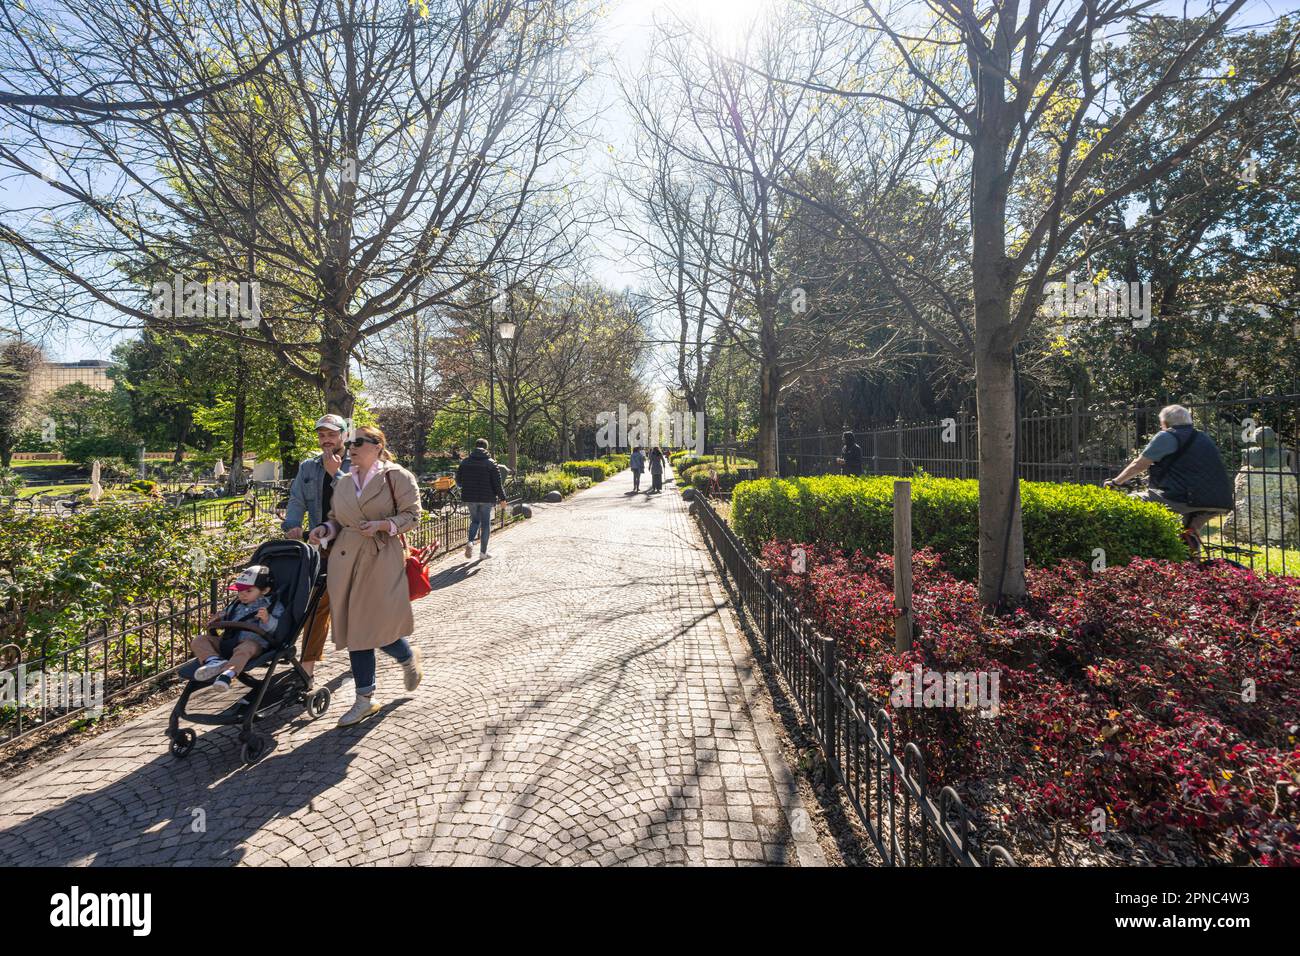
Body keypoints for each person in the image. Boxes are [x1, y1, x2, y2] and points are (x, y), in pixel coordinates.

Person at [308, 426, 423, 727]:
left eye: (358, 442)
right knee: (358, 631)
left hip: (381, 558)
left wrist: (383, 525)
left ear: (377, 445)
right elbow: (336, 519)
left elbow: (413, 515)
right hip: (345, 560)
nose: (352, 447)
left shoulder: (396, 476)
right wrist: (325, 530)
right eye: (351, 442)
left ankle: (406, 658)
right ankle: (365, 699)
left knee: (372, 628)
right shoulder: (344, 481)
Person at [1105, 404, 1234, 549]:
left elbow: (1139, 465)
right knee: (1187, 532)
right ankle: (1195, 566)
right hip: (1219, 500)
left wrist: (1116, 482)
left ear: (1164, 423)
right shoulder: (1203, 437)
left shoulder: (1168, 436)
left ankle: (1128, 548)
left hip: (1184, 497)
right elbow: (1189, 470)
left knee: (1129, 502)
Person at [282, 414, 350, 681]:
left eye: (332, 434)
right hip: (320, 544)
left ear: (343, 435)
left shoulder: (357, 463)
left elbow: (361, 498)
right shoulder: (308, 467)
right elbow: (297, 498)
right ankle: (307, 667)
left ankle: (366, 653)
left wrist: (337, 474)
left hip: (353, 546)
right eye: (322, 435)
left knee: (355, 606)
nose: (326, 440)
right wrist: (292, 525)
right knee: (318, 605)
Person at [191, 564, 285, 693]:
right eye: (239, 591)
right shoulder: (236, 604)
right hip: (228, 642)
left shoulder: (272, 606)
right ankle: (214, 661)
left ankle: (227, 674)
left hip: (253, 645)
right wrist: (218, 619)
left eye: (248, 591)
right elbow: (226, 617)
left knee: (246, 648)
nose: (242, 595)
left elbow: (278, 629)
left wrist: (267, 620)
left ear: (264, 590)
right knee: (199, 640)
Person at [455, 438, 507, 560]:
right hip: (486, 498)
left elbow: (458, 480)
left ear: (475, 447)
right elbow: (497, 484)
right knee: (486, 524)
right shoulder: (491, 463)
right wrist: (502, 498)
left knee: (475, 521)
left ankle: (470, 542)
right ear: (486, 448)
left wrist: (466, 486)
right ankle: (483, 553)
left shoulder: (465, 462)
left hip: (470, 497)